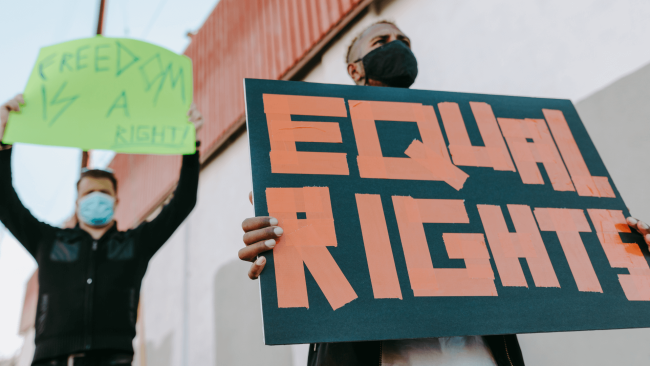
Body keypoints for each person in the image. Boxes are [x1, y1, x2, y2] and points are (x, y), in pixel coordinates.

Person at [238, 21, 650, 366]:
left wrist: (622, 250)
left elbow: (532, 222)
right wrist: (277, 242)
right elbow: (303, 238)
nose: (398, 48)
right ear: (354, 69)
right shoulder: (311, 152)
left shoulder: (460, 143)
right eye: (382, 42)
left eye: (405, 42)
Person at [0, 95, 203, 366]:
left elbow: (182, 203)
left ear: (116, 200)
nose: (96, 197)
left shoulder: (135, 243)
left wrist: (190, 149)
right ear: (77, 202)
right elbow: (5, 201)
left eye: (103, 192)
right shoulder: (48, 241)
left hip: (113, 359)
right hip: (51, 359)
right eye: (89, 192)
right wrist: (3, 143)